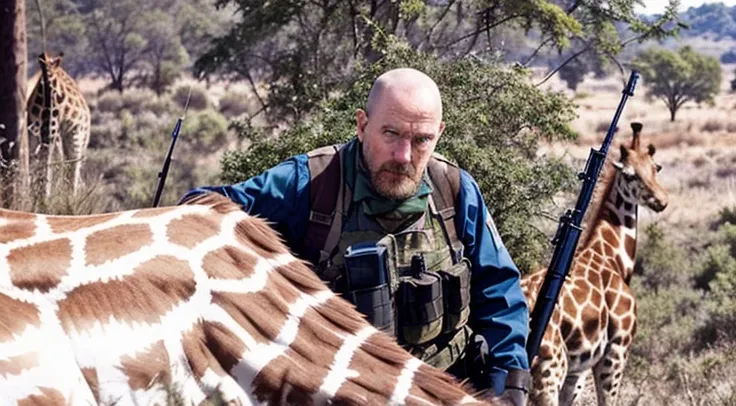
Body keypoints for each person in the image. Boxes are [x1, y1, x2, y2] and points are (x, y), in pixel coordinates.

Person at [181, 68, 531, 404]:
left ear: (439, 133)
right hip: (337, 393)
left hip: (442, 387)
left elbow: (499, 290)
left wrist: (508, 384)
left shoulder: (455, 191)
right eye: (391, 134)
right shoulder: (312, 184)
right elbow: (202, 208)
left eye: (421, 139)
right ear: (362, 125)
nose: (403, 156)